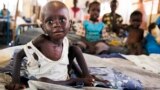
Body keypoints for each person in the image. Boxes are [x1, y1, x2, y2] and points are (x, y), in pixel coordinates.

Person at [5, 1, 101, 89]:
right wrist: (15, 81)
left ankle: (86, 76)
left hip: (62, 74)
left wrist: (81, 74)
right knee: (42, 82)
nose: (56, 25)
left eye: (62, 20)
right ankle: (73, 81)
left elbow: (67, 59)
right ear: (43, 27)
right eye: (50, 22)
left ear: (70, 24)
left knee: (76, 49)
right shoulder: (41, 41)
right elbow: (18, 55)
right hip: (43, 78)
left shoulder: (66, 41)